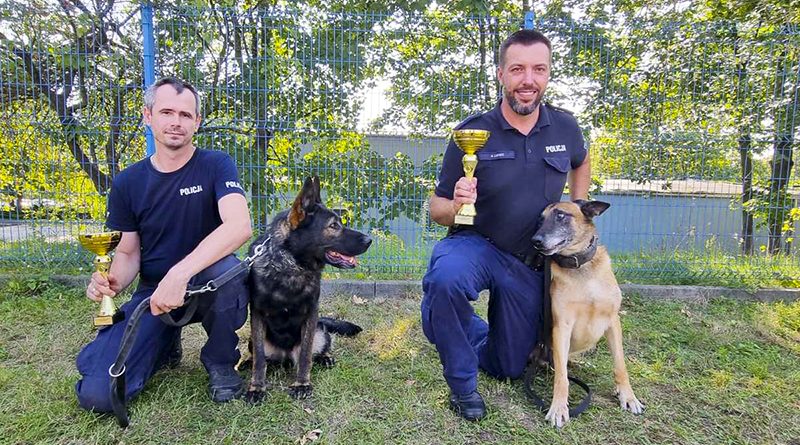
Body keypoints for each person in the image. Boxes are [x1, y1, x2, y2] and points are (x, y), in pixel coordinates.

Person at [421, 29, 591, 421]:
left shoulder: (565, 127)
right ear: (501, 74)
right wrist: (458, 202)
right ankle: (462, 386)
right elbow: (436, 208)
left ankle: (446, 324)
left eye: (538, 69)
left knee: (510, 367)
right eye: (517, 69)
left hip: (530, 262)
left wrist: (578, 205)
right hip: (476, 244)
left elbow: (581, 160)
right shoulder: (472, 132)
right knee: (446, 277)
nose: (527, 79)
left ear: (548, 74)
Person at [75, 76, 253, 412]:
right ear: (148, 116)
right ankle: (164, 342)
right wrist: (110, 281)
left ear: (197, 122)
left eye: (186, 115)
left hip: (208, 285)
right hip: (155, 296)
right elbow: (128, 253)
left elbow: (239, 225)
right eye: (167, 112)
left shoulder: (217, 165)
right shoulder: (128, 182)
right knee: (100, 395)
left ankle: (220, 363)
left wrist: (180, 273)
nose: (176, 122)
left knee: (230, 270)